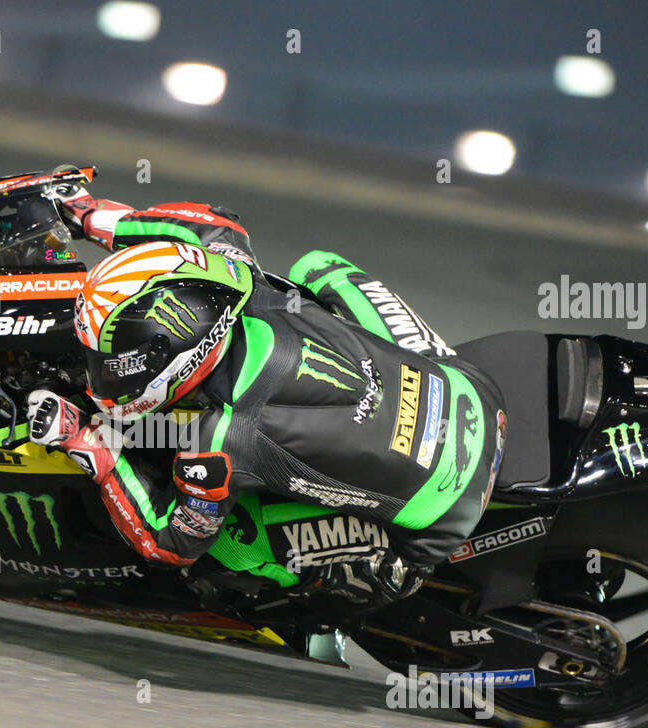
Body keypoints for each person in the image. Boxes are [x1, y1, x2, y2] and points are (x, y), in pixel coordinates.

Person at [25, 183, 506, 609]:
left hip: (445, 512)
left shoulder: (221, 439)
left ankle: (377, 572)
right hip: (472, 390)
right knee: (319, 266)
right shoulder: (237, 272)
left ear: (169, 352)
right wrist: (93, 217)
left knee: (228, 546)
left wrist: (90, 444)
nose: (99, 372)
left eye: (109, 356)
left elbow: (170, 543)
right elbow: (211, 222)